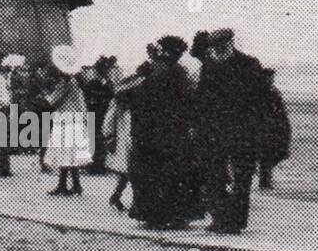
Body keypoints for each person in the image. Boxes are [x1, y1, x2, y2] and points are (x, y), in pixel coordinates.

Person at [194, 28, 274, 234]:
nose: (218, 50)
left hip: (243, 132)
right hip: (214, 132)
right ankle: (220, 218)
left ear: (230, 43)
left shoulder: (249, 64)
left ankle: (236, 221)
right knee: (214, 175)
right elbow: (202, 100)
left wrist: (259, 128)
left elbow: (261, 99)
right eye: (215, 47)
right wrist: (199, 126)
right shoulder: (209, 67)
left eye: (222, 46)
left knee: (242, 178)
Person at [128, 36, 199, 229]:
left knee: (152, 174)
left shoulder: (157, 73)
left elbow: (137, 97)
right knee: (173, 176)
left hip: (153, 132)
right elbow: (189, 103)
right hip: (173, 133)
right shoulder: (179, 73)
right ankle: (172, 215)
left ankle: (155, 215)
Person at [43, 46, 93, 196]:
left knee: (65, 153)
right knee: (71, 154)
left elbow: (52, 102)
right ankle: (74, 185)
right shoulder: (74, 83)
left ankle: (63, 185)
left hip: (65, 120)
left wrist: (44, 93)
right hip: (75, 120)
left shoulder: (65, 83)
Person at [101, 62, 145, 212]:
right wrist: (109, 137)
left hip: (131, 138)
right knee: (131, 171)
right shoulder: (119, 103)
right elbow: (108, 120)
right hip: (124, 139)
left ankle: (117, 196)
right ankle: (132, 201)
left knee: (128, 171)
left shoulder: (132, 103)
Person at [258, 67, 291, 188]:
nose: (271, 80)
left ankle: (265, 179)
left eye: (271, 78)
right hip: (265, 127)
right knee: (267, 155)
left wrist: (284, 123)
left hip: (276, 126)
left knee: (279, 153)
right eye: (268, 78)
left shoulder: (274, 91)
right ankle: (265, 182)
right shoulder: (260, 92)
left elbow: (280, 109)